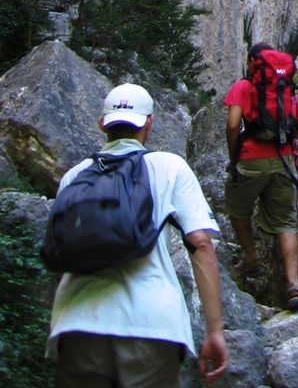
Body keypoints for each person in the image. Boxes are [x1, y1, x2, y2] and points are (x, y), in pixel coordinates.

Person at [47, 82, 228, 387]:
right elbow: (200, 244)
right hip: (152, 328)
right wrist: (215, 331)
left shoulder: (74, 177)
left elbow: (61, 254)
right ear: (149, 123)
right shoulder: (169, 167)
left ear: (102, 123)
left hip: (77, 326)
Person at [223, 42, 298, 311]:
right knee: (286, 223)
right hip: (284, 161)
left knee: (238, 208)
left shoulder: (243, 87)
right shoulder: (285, 88)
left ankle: (250, 258)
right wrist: (285, 142)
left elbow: (233, 124)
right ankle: (293, 285)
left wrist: (234, 156)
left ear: (251, 63)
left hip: (250, 160)